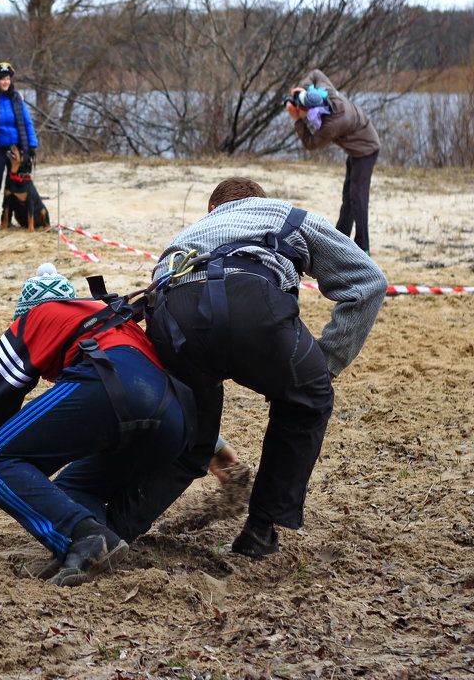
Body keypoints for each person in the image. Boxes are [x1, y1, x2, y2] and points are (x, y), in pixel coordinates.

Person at [137, 177, 387, 558]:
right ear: (262, 202)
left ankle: (112, 529)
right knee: (307, 397)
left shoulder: (189, 233)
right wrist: (329, 361)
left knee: (192, 441)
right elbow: (369, 282)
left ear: (212, 211)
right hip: (252, 299)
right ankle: (259, 530)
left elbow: (158, 294)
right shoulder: (287, 215)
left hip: (173, 314)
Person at [0, 264, 193, 586]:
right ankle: (100, 539)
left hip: (109, 380)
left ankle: (85, 539)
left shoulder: (33, 319)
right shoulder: (108, 315)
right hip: (174, 417)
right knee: (75, 487)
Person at [286, 69, 381, 253]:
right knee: (349, 198)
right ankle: (340, 239)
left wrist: (297, 120)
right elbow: (315, 73)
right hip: (355, 150)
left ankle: (363, 248)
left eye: (302, 110)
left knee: (358, 198)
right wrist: (301, 89)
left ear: (312, 111)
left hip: (366, 150)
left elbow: (311, 144)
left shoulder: (333, 124)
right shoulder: (326, 93)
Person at [0, 61, 39, 233]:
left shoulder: (16, 99)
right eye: (2, 79)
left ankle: (7, 219)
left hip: (17, 148)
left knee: (16, 186)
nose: (5, 82)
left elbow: (27, 122)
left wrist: (32, 144)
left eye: (7, 78)